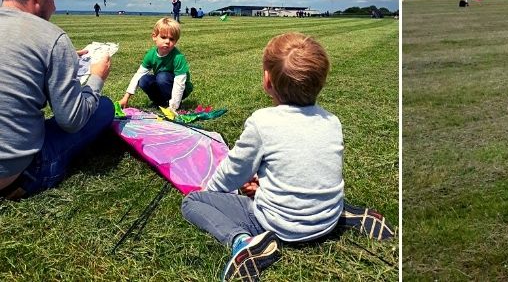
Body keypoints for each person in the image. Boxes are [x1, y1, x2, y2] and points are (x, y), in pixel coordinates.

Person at [181, 33, 391, 280]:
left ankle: (243, 242)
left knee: (192, 202)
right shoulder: (332, 121)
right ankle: (346, 214)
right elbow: (303, 167)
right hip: (327, 218)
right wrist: (263, 185)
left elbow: (234, 171)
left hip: (280, 224)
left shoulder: (263, 121)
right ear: (321, 82)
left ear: (268, 81)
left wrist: (212, 192)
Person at [0, 0, 114, 200]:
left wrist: (60, 59)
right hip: (15, 175)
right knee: (105, 107)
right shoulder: (51, 36)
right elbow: (71, 120)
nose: (55, 7)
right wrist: (96, 77)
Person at [118, 17, 193, 111]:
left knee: (162, 77)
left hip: (181, 88)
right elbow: (138, 74)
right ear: (154, 37)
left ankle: (172, 103)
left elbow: (180, 83)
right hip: (163, 82)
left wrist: (174, 106)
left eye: (171, 39)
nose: (167, 41)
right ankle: (160, 102)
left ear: (176, 41)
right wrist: (126, 97)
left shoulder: (178, 57)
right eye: (163, 37)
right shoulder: (151, 55)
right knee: (144, 80)